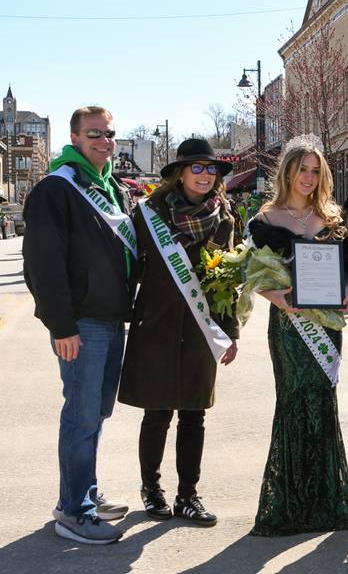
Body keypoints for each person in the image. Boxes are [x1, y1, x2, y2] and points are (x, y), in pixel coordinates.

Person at [23, 106, 134, 544]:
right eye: (95, 134)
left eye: (109, 134)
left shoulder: (112, 189)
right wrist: (61, 324)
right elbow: (42, 264)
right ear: (74, 136)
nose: (104, 141)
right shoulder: (58, 187)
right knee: (81, 415)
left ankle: (82, 490)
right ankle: (73, 510)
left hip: (111, 319)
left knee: (96, 414)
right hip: (81, 324)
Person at [118, 138, 240, 527]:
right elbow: (130, 268)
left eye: (211, 169)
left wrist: (230, 331)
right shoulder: (149, 214)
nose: (205, 175)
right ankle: (152, 490)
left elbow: (230, 280)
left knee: (193, 414)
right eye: (197, 167)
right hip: (157, 323)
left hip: (201, 327)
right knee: (157, 413)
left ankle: (188, 495)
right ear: (180, 174)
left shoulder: (224, 218)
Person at [248, 134, 348, 536]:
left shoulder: (334, 220)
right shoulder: (265, 221)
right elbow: (253, 274)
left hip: (327, 327)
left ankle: (327, 501)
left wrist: (347, 289)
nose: (308, 178)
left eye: (315, 171)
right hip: (290, 326)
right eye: (301, 170)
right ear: (287, 172)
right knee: (293, 402)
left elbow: (347, 271)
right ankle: (290, 506)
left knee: (323, 402)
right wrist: (273, 294)